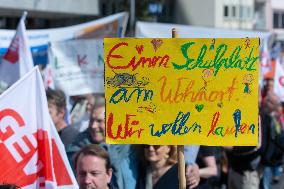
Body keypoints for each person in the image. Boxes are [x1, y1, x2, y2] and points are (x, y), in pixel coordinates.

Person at [67, 96, 142, 189]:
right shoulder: (78, 148)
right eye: (91, 120)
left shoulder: (129, 147)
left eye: (99, 121)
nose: (94, 126)